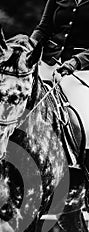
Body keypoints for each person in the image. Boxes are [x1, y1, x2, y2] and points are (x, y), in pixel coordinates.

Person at [30, 0, 89, 152]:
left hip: (80, 70)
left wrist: (76, 62)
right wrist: (28, 47)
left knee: (84, 125)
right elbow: (43, 29)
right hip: (47, 61)